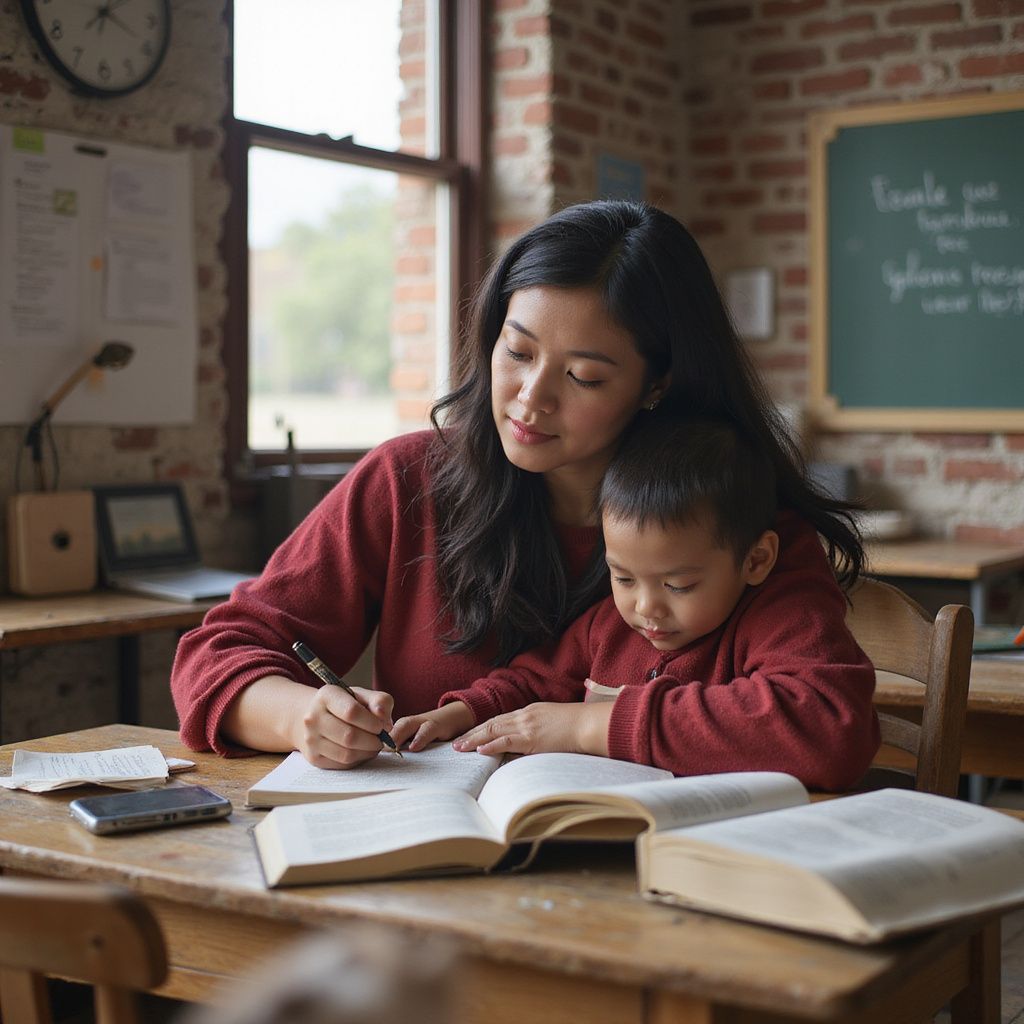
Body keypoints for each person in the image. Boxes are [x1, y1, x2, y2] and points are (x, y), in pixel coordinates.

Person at [171, 200, 866, 776]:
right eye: (518, 350)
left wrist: (588, 724)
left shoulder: (733, 523)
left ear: (658, 384)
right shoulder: (408, 480)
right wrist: (301, 717)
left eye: (584, 377)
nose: (530, 400)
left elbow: (828, 721)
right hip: (430, 871)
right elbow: (216, 654)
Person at [390, 416, 878, 791]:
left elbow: (833, 727)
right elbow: (535, 679)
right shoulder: (610, 624)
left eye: (680, 584)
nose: (646, 607)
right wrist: (468, 712)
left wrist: (591, 726)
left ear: (756, 559)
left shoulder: (772, 622)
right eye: (622, 577)